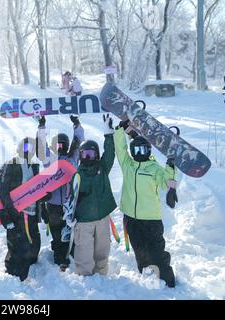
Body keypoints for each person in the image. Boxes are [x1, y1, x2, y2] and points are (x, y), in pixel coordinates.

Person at [114, 119, 177, 288]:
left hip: (150, 219)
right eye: (135, 149)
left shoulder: (154, 168)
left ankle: (168, 282)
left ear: (148, 151)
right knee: (140, 253)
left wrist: (171, 167)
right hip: (131, 218)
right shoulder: (128, 165)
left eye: (143, 149)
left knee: (157, 253)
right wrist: (120, 131)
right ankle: (148, 279)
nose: (139, 152)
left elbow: (166, 181)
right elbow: (120, 150)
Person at [0, 137, 49, 281]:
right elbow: (1, 188)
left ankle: (29, 262)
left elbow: (35, 190)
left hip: (31, 213)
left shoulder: (34, 166)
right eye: (26, 148)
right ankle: (14, 271)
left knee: (34, 244)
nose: (28, 152)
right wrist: (10, 211)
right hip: (17, 212)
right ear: (20, 148)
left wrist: (43, 203)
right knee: (18, 245)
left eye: (31, 149)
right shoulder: (11, 164)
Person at [35, 115, 84, 270]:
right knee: (57, 231)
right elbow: (41, 147)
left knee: (71, 230)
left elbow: (79, 139)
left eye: (63, 145)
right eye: (58, 146)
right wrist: (41, 127)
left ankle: (72, 253)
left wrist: (77, 124)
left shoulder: (73, 157)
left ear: (68, 146)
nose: (60, 148)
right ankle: (59, 255)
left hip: (71, 203)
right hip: (54, 203)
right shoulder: (50, 159)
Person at [73, 114, 117, 276]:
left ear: (97, 155)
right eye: (85, 155)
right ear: (80, 156)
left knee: (102, 249)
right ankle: (84, 276)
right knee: (84, 251)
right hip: (84, 222)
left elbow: (110, 153)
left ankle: (101, 274)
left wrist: (108, 134)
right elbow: (71, 198)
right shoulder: (77, 175)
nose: (88, 158)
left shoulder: (102, 168)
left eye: (91, 154)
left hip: (102, 218)